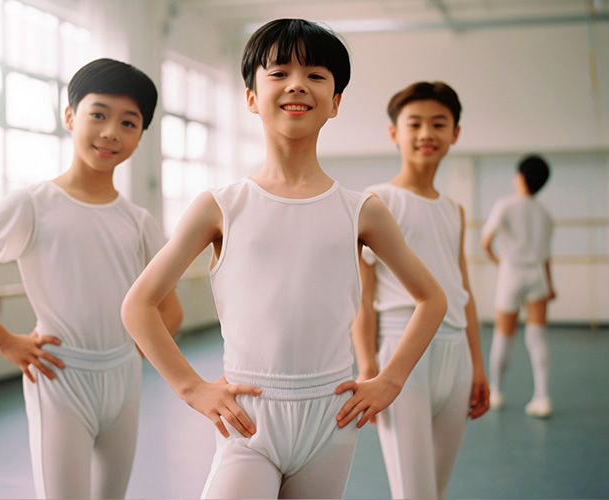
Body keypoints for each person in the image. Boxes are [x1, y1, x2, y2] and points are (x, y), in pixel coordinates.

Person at [121, 19, 447, 500]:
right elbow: (138, 305)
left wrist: (390, 379)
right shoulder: (222, 205)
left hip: (331, 419)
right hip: (249, 417)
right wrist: (192, 388)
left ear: (336, 102)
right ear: (251, 96)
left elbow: (431, 298)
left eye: (316, 74)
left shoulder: (361, 210)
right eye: (279, 73)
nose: (297, 83)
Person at [0, 58, 182, 499]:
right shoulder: (31, 204)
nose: (110, 132)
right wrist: (4, 341)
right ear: (70, 116)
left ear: (140, 136)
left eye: (128, 122)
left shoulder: (139, 221)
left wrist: (131, 355)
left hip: (122, 378)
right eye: (98, 114)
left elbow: (170, 308)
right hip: (60, 376)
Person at [352, 81, 490, 500]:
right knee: (415, 493)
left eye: (438, 123)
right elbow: (363, 294)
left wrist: (478, 364)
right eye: (415, 123)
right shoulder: (377, 200)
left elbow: (461, 287)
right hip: (401, 351)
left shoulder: (454, 209)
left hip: (456, 354)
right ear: (395, 133)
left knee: (436, 490)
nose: (426, 133)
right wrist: (367, 367)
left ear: (455, 134)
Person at [481, 154, 555, 418]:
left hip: (511, 273)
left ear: (521, 177)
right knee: (537, 337)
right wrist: (551, 285)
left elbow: (486, 242)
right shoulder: (545, 214)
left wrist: (498, 261)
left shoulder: (505, 205)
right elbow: (546, 257)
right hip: (537, 276)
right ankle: (543, 397)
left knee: (504, 335)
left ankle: (497, 393)